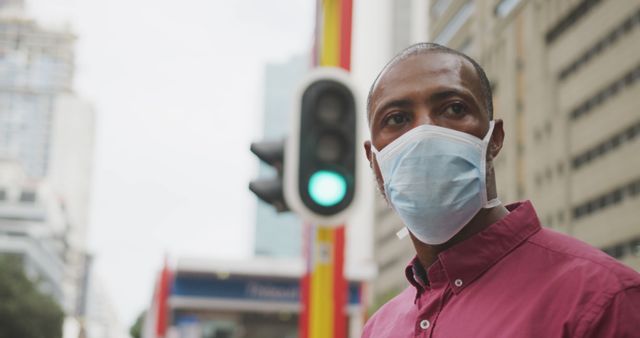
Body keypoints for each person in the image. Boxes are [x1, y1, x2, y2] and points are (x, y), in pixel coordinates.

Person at [361, 43, 640, 338]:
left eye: (454, 108)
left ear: (494, 138)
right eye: (397, 119)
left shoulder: (603, 299)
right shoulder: (379, 328)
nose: (423, 133)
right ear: (374, 160)